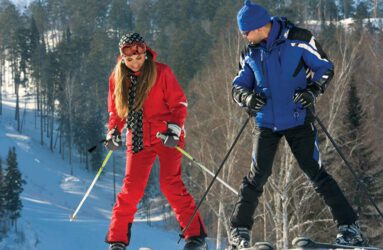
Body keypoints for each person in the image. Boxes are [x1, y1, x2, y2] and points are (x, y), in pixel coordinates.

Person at [229, 0, 365, 249]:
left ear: (260, 26)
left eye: (245, 31)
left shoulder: (299, 38)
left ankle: (350, 228)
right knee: (257, 177)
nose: (244, 36)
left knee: (315, 172)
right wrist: (248, 98)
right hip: (266, 123)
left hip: (297, 118)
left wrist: (313, 90)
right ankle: (239, 231)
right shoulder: (250, 52)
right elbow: (238, 86)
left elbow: (325, 67)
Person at [104, 33, 208, 250]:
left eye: (139, 57)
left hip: (166, 135)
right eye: (130, 59)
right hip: (139, 137)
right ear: (122, 58)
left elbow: (179, 103)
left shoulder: (161, 72)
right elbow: (116, 112)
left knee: (170, 184)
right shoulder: (117, 78)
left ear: (145, 53)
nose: (135, 62)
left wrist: (173, 129)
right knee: (131, 189)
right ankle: (117, 241)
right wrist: (113, 132)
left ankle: (195, 237)